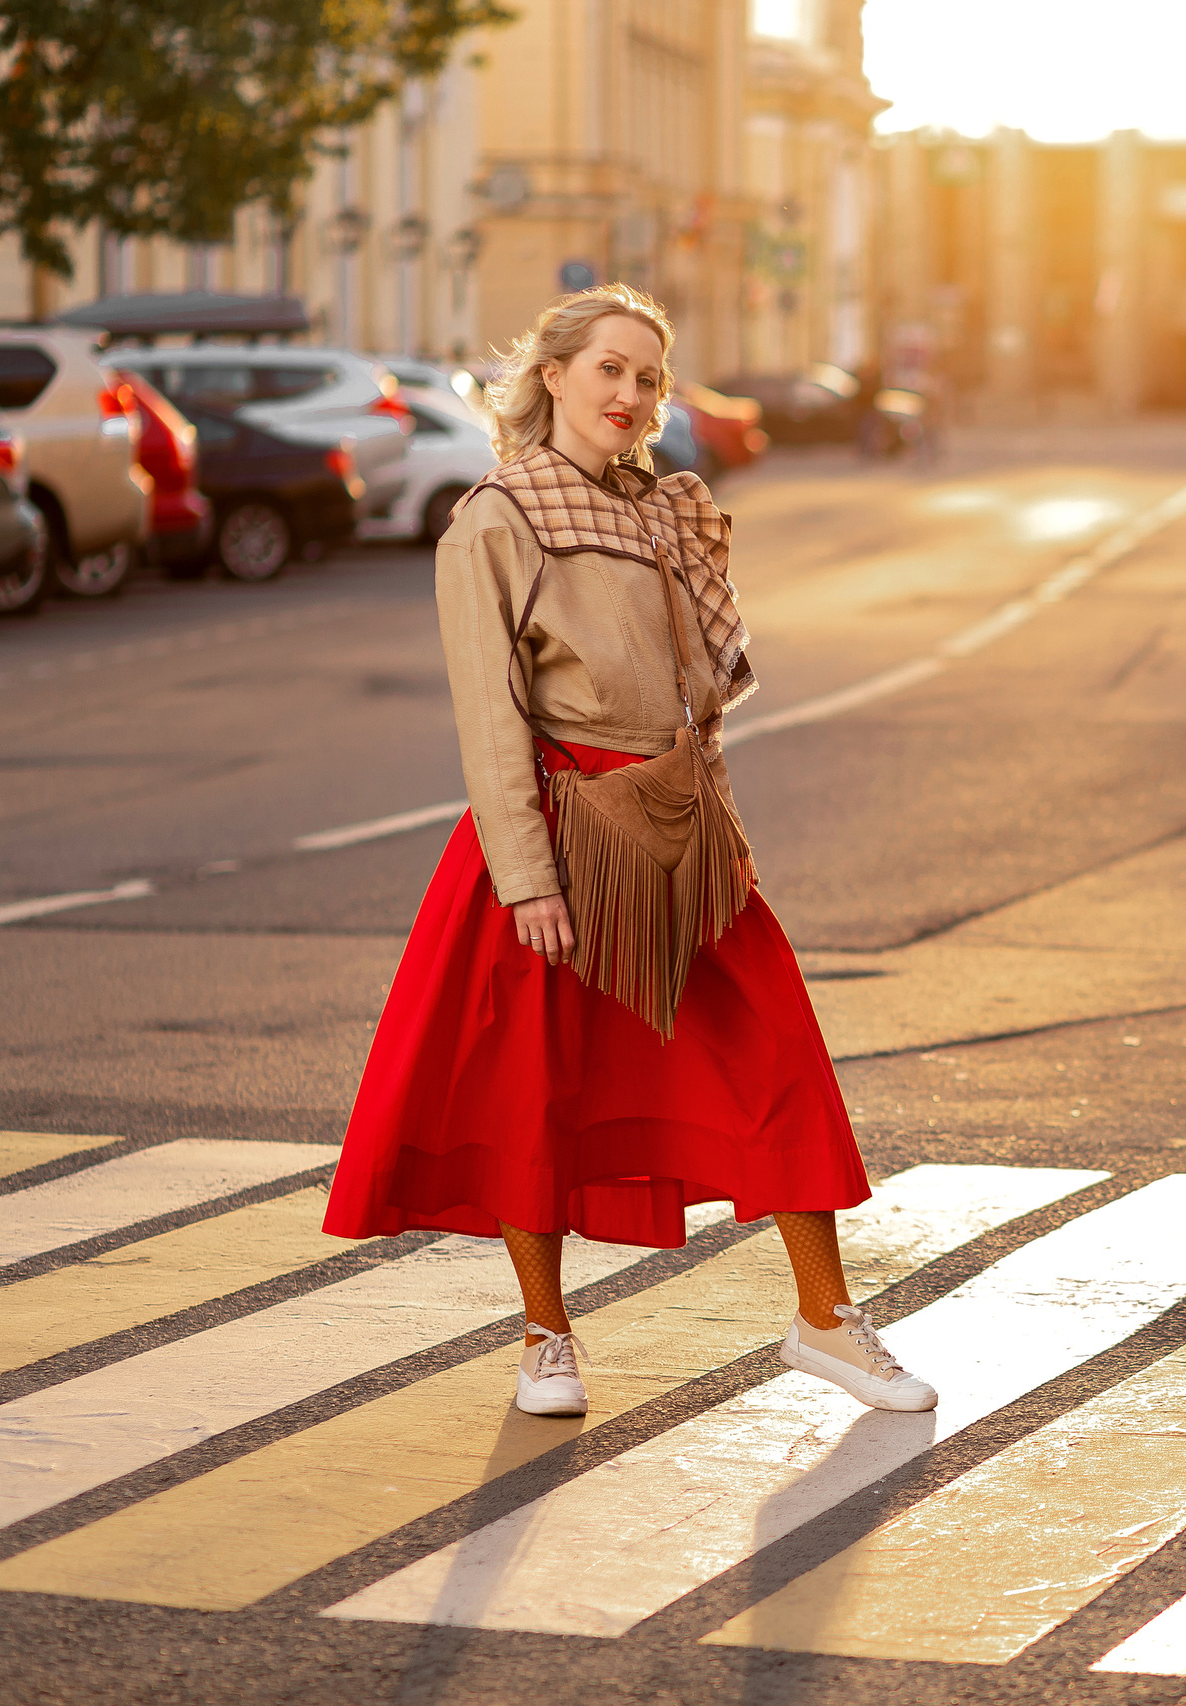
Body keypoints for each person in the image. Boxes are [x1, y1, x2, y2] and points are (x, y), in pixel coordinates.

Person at [323, 283, 935, 1419]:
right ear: (553, 374)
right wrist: (527, 876)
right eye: (609, 368)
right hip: (561, 833)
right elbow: (490, 714)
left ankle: (824, 1320)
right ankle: (545, 1335)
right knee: (533, 1093)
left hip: (679, 829)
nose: (631, 393)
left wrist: (711, 810)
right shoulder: (497, 519)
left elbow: (700, 691)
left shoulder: (661, 509)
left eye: (648, 376)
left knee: (781, 1063)